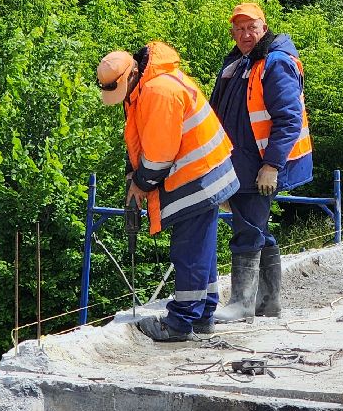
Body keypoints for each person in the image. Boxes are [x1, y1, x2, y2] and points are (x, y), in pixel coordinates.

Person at [97, 42, 240, 342]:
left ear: (131, 74)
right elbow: (142, 136)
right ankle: (202, 315)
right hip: (203, 171)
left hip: (198, 175)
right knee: (201, 248)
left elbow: (160, 156)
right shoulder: (144, 86)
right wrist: (132, 172)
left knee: (188, 250)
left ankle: (179, 323)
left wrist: (140, 183)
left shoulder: (158, 91)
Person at [208, 1, 313, 323]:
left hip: (258, 166)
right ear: (232, 33)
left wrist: (272, 166)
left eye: (251, 28)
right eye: (239, 29)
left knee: (248, 230)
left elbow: (289, 119)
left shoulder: (274, 63)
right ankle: (268, 302)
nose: (245, 34)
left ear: (264, 28)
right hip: (241, 163)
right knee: (257, 228)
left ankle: (242, 303)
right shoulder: (240, 62)